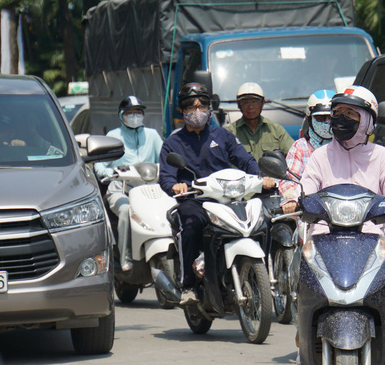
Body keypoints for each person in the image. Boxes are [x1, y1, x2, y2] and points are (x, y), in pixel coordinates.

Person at [282, 85, 385, 356]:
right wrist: (295, 200)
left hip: (371, 234)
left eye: (350, 114)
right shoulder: (320, 156)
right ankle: (304, 325)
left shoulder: (381, 155)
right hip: (323, 234)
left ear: (368, 120)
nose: (340, 119)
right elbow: (304, 188)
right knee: (303, 279)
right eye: (337, 112)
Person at [159, 82, 274, 305]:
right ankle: (189, 285)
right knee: (191, 227)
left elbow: (245, 160)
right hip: (195, 200)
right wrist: (176, 186)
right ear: (182, 111)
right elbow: (166, 176)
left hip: (229, 199)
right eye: (191, 107)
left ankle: (265, 276)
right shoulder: (173, 143)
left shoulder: (223, 136)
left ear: (209, 108)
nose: (197, 111)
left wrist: (262, 177)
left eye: (202, 105)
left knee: (263, 222)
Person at [94, 95, 164, 271]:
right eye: (130, 113)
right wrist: (110, 172)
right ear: (121, 115)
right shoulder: (113, 136)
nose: (134, 116)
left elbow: (164, 159)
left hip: (149, 189)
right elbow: (100, 163)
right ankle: (125, 255)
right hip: (120, 188)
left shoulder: (152, 135)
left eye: (138, 112)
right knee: (125, 210)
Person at [279, 89, 335, 200]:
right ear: (309, 118)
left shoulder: (347, 146)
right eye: (320, 118)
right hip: (310, 211)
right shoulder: (300, 147)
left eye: (331, 118)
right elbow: (289, 180)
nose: (326, 123)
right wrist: (291, 196)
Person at [225, 82, 294, 161]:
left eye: (255, 101)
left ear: (263, 103)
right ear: (238, 104)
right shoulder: (229, 133)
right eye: (245, 102)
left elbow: (294, 156)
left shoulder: (276, 131)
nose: (250, 107)